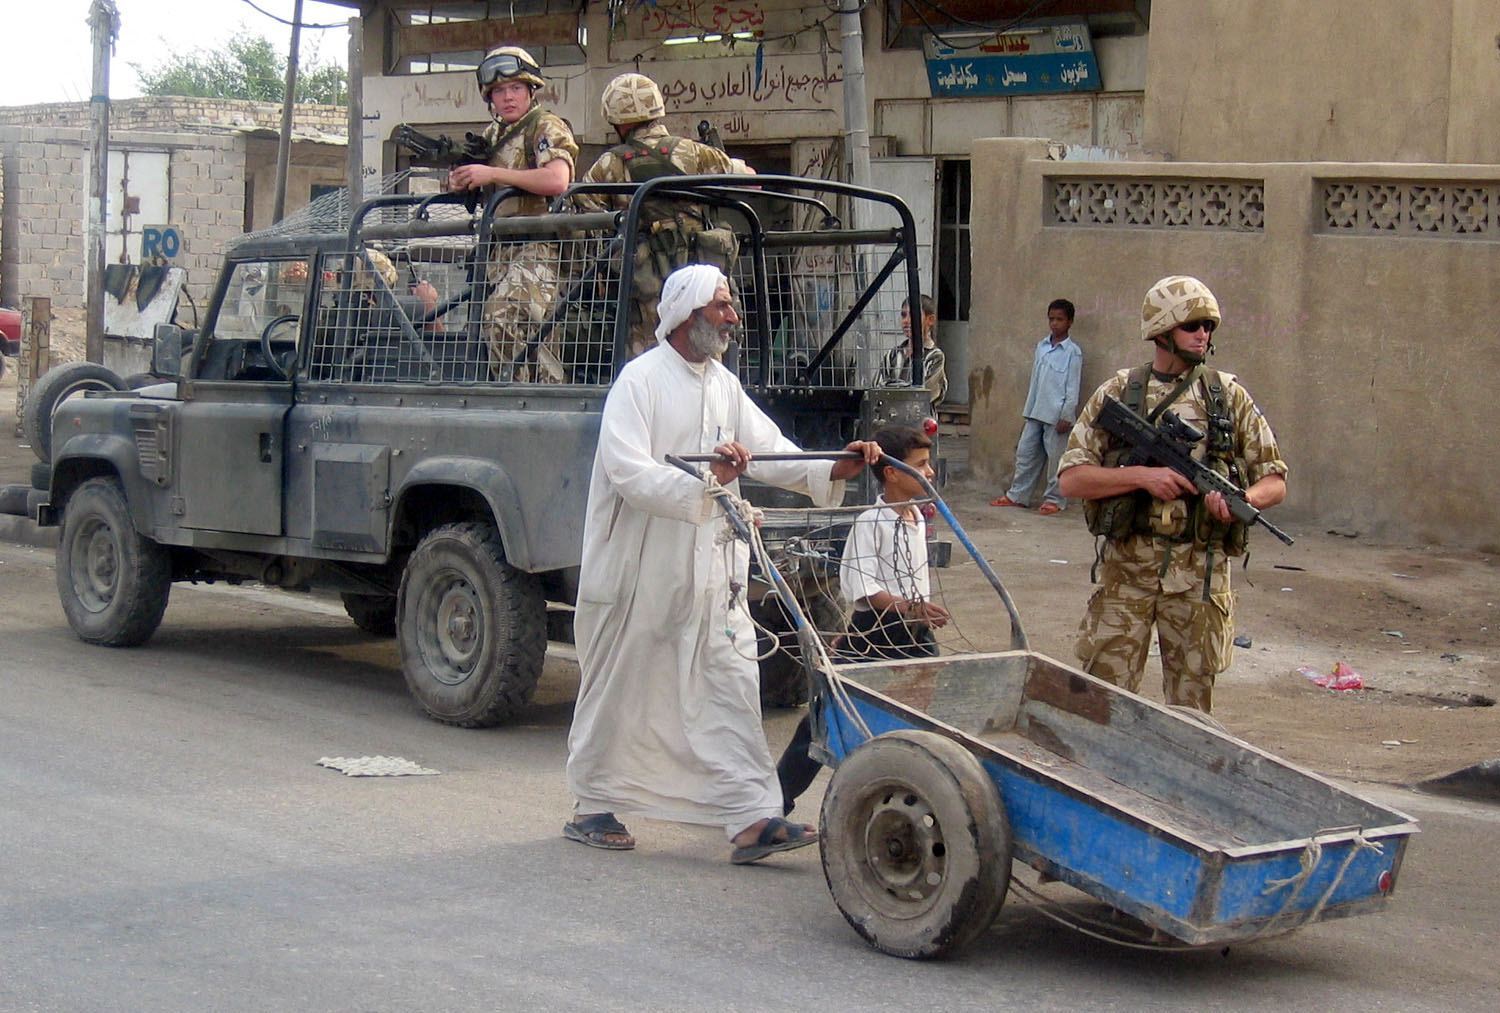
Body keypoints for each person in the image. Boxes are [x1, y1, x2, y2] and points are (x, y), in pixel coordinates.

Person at [563, 264, 880, 862]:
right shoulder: (639, 382)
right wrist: (711, 481)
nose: (733, 317)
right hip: (641, 568)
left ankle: (749, 818)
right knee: (624, 683)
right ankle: (593, 804)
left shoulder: (722, 385)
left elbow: (768, 450)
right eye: (723, 306)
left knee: (731, 681)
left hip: (711, 568)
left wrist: (830, 468)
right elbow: (629, 473)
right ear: (688, 315)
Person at [1056, 276, 1287, 713]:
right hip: (1127, 576)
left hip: (1199, 580)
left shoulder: (1227, 396)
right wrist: (1143, 477)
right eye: (1193, 325)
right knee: (1105, 702)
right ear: (1162, 332)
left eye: (1209, 326)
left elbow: (1275, 478)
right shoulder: (1120, 392)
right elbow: (1071, 480)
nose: (1203, 335)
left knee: (1191, 711)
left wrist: (1244, 500)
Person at [775, 425, 951, 814]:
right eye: (921, 465)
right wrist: (911, 606)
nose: (931, 472)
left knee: (931, 715)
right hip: (874, 633)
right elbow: (865, 590)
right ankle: (776, 801)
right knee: (824, 718)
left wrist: (919, 610)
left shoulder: (917, 520)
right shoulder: (870, 522)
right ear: (891, 472)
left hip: (913, 633)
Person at [575, 72, 741, 359]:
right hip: (698, 279)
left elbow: (582, 211)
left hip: (645, 283)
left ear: (616, 119)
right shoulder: (695, 153)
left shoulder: (610, 165)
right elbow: (746, 180)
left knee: (647, 359)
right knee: (704, 355)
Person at [447, 46, 579, 382]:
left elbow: (557, 179)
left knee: (502, 316)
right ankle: (534, 406)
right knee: (535, 339)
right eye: (499, 91)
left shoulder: (546, 126)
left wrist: (492, 175)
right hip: (501, 250)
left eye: (516, 89)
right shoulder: (493, 135)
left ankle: (518, 398)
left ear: (531, 90)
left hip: (540, 247)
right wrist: (461, 179)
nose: (507, 98)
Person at [991, 299, 1083, 515]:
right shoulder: (1041, 347)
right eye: (1051, 319)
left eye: (1060, 319)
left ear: (1069, 322)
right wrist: (1028, 410)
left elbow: (1073, 386)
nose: (1054, 324)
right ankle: (1018, 495)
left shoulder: (1073, 353)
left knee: (1056, 460)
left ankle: (1055, 500)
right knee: (1026, 454)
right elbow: (1035, 381)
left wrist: (1067, 415)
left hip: (1057, 416)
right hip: (1035, 411)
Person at [878, 295, 947, 408]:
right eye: (903, 315)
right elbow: (878, 388)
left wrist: (893, 391)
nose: (906, 321)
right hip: (890, 421)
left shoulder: (935, 356)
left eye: (914, 315)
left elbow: (926, 395)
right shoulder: (893, 355)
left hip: (919, 422)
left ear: (930, 320)